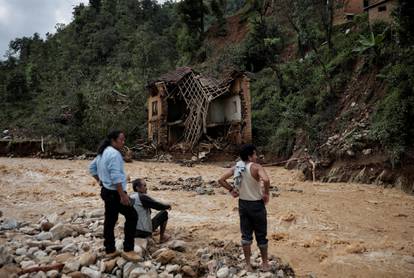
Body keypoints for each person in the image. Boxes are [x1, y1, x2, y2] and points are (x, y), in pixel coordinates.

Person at [218, 144, 271, 272]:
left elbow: (220, 180)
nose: (256, 156)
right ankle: (264, 264)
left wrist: (231, 190)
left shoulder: (237, 167)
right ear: (250, 156)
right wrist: (266, 193)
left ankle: (248, 265)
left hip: (243, 204)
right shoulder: (256, 167)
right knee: (261, 235)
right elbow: (266, 179)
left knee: (246, 235)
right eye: (255, 154)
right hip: (257, 205)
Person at [89, 130, 139, 262]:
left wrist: (100, 181)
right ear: (113, 140)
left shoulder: (103, 152)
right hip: (115, 193)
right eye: (121, 140)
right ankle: (129, 250)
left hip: (106, 191)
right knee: (132, 216)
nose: (123, 142)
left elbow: (91, 168)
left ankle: (110, 249)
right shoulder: (115, 154)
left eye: (124, 139)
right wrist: (122, 195)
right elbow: (116, 176)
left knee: (110, 220)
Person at [130, 178, 171, 243]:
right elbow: (157, 205)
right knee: (164, 213)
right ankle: (162, 237)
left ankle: (154, 231)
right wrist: (167, 206)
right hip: (142, 232)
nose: (146, 188)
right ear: (137, 188)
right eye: (144, 186)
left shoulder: (130, 196)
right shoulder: (142, 197)